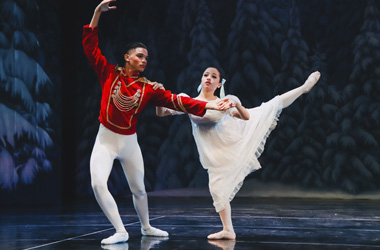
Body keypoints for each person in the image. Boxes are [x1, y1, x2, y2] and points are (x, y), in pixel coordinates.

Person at [83, 0, 231, 245]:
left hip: (129, 142)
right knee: (98, 183)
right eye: (140, 56)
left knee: (139, 189)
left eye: (146, 58)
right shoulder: (109, 74)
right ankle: (120, 230)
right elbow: (90, 47)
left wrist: (210, 104)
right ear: (127, 57)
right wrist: (97, 13)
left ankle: (146, 226)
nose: (144, 60)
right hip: (106, 139)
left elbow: (177, 101)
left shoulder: (149, 89)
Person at [157, 67, 321, 240]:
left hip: (229, 143)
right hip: (212, 152)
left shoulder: (223, 102)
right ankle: (228, 230)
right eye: (206, 75)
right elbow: (161, 113)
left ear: (218, 84)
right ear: (201, 79)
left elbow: (246, 117)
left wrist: (236, 104)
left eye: (214, 77)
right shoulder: (187, 100)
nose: (208, 78)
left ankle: (304, 87)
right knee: (217, 191)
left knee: (269, 107)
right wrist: (160, 97)